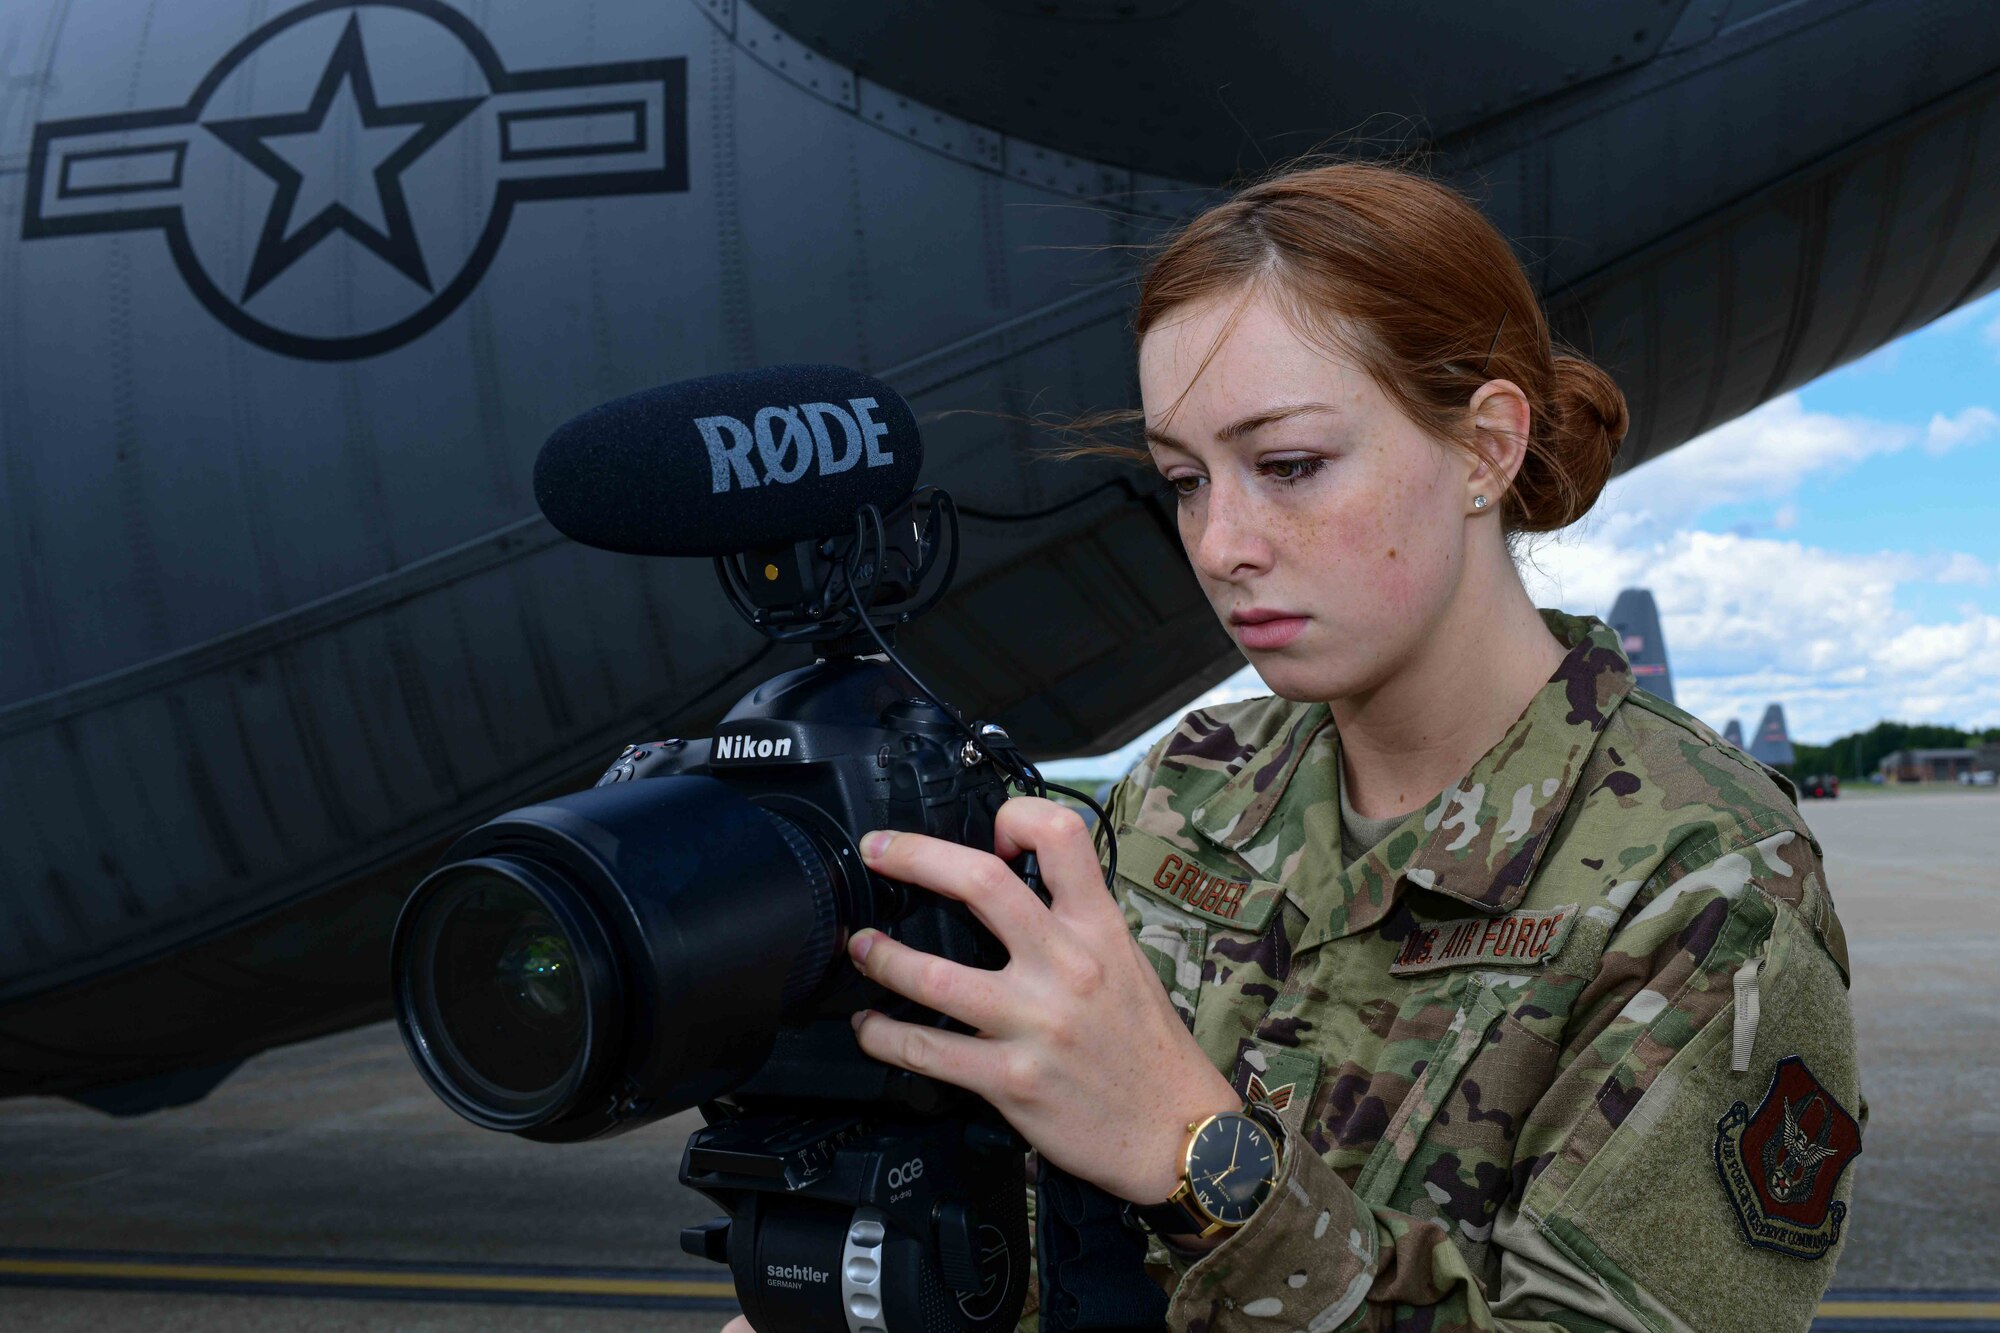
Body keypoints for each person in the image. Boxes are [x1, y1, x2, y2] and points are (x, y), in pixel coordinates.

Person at [722, 161, 1862, 1331]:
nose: (1220, 544)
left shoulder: (1703, 875)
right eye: (1182, 479)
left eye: (1289, 466)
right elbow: (1035, 1247)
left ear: (1484, 449)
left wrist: (1196, 1159)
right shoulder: (1187, 788)